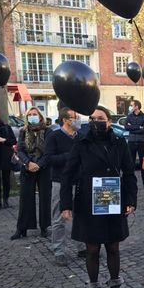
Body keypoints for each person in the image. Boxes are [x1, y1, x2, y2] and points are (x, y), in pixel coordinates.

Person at [60, 106, 137, 288]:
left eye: (100, 118)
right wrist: (66, 204)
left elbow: (129, 173)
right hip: (88, 200)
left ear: (109, 121)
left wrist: (131, 200)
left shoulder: (119, 142)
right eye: (92, 118)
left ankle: (115, 287)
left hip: (113, 198)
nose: (96, 121)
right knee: (92, 249)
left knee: (113, 246)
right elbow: (67, 174)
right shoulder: (81, 142)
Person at [43, 107, 86, 266]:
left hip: (79, 181)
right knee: (59, 217)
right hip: (60, 182)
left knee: (80, 216)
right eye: (75, 117)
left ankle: (81, 246)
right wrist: (70, 157)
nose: (78, 120)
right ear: (65, 120)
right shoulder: (54, 137)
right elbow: (48, 159)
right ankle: (59, 250)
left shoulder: (80, 137)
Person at [11, 107, 52, 240]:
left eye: (35, 114)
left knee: (45, 198)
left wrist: (39, 164)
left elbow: (49, 151)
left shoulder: (48, 131)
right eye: (30, 115)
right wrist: (28, 163)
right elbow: (20, 149)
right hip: (27, 167)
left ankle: (45, 227)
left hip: (43, 168)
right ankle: (22, 228)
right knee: (25, 198)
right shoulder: (23, 131)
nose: (32, 116)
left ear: (40, 117)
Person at [125, 99, 144, 186]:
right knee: (130, 162)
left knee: (143, 163)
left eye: (131, 105)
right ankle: (130, 183)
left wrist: (133, 128)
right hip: (131, 142)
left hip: (141, 142)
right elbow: (126, 127)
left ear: (136, 106)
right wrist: (139, 127)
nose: (130, 107)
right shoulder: (129, 116)